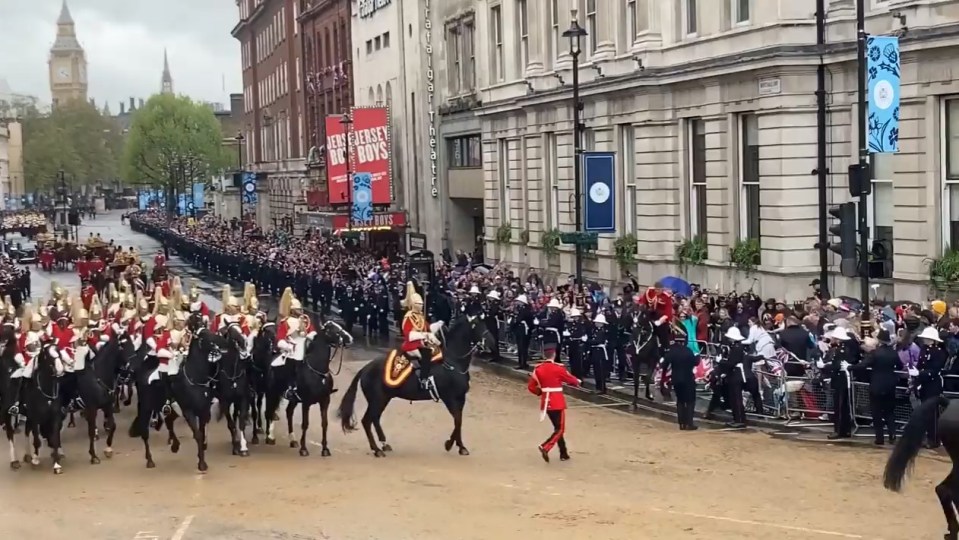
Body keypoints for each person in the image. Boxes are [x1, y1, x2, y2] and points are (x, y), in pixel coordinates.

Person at [527, 351, 580, 463]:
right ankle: (546, 446)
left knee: (557, 429)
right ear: (554, 355)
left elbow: (531, 386)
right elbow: (571, 380)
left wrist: (541, 392)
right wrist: (577, 381)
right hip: (557, 402)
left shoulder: (538, 369)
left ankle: (563, 453)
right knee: (560, 429)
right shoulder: (558, 368)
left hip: (546, 403)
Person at [853, 329, 900, 445]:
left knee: (877, 412)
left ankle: (880, 438)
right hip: (890, 384)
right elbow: (899, 364)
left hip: (877, 385)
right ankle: (892, 435)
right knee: (889, 412)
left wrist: (850, 367)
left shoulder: (876, 353)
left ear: (879, 340)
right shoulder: (894, 353)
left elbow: (863, 365)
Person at [400, 281, 441, 393]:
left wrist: (437, 326)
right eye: (419, 304)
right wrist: (424, 335)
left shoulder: (420, 316)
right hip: (411, 345)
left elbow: (427, 328)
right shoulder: (408, 317)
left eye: (422, 304)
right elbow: (408, 335)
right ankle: (423, 380)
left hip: (420, 342)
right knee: (426, 354)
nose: (421, 306)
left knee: (437, 350)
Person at [914, 325, 946, 449]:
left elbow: (934, 370)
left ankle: (934, 439)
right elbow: (921, 365)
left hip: (933, 385)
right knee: (925, 413)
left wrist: (920, 374)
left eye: (927, 338)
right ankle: (928, 436)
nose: (925, 340)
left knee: (932, 414)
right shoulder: (924, 350)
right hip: (924, 385)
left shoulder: (939, 353)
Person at [662, 333, 701, 430]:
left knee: (680, 401)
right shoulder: (688, 351)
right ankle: (689, 423)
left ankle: (681, 424)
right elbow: (695, 363)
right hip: (688, 379)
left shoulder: (671, 352)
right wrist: (698, 357)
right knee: (690, 401)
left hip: (676, 379)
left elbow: (664, 365)